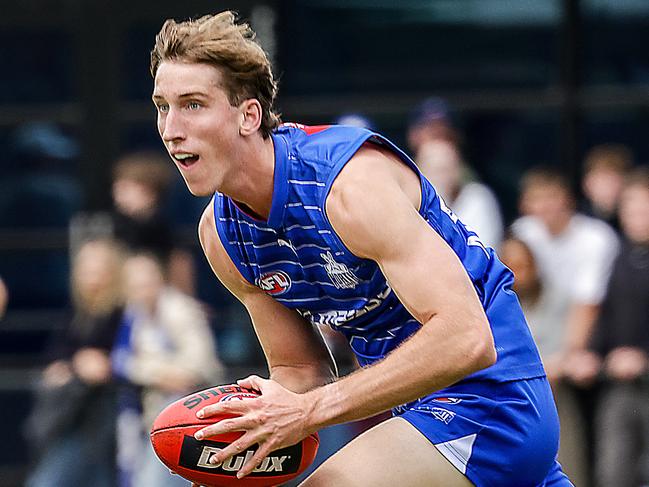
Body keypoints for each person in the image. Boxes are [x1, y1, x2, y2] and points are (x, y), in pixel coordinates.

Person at [149, 11, 571, 486]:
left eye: (192, 105)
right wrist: (246, 435)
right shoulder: (222, 236)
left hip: (492, 402)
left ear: (249, 115)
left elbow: (467, 337)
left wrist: (307, 411)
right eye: (162, 106)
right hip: (419, 417)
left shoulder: (347, 188)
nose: (170, 128)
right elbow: (299, 370)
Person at [565, 167, 649, 487]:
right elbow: (605, 314)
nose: (637, 217)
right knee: (612, 471)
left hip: (642, 374)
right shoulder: (616, 254)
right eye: (631, 209)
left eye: (644, 209)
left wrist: (643, 356)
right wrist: (589, 353)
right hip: (617, 382)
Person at [111, 252, 223, 487]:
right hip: (148, 411)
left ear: (159, 279)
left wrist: (151, 370)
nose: (142, 290)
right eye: (135, 285)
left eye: (147, 281)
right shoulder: (133, 315)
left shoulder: (181, 310)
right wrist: (159, 374)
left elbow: (199, 367)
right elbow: (121, 362)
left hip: (195, 411)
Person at [25, 238, 125, 487]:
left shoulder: (122, 311)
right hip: (72, 412)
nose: (92, 278)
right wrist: (73, 364)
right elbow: (56, 355)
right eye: (86, 270)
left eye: (98, 270)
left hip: (107, 411)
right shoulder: (78, 312)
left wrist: (100, 364)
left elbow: (114, 362)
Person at [415, 139, 504, 248]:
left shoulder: (479, 197)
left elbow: (482, 247)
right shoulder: (415, 205)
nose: (443, 177)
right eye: (436, 170)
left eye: (446, 168)